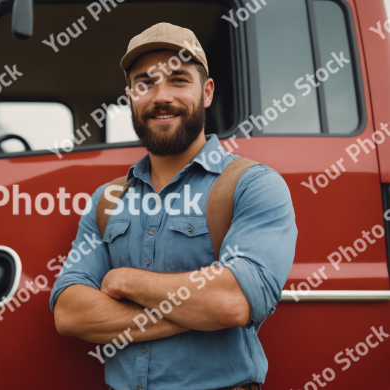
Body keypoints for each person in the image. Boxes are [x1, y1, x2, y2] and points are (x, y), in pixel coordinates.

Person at [49, 23, 297, 390]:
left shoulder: (254, 185)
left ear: (207, 92)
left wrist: (123, 280)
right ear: (131, 96)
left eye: (179, 80)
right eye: (145, 83)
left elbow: (231, 302)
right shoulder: (106, 200)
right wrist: (196, 312)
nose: (160, 96)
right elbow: (69, 313)